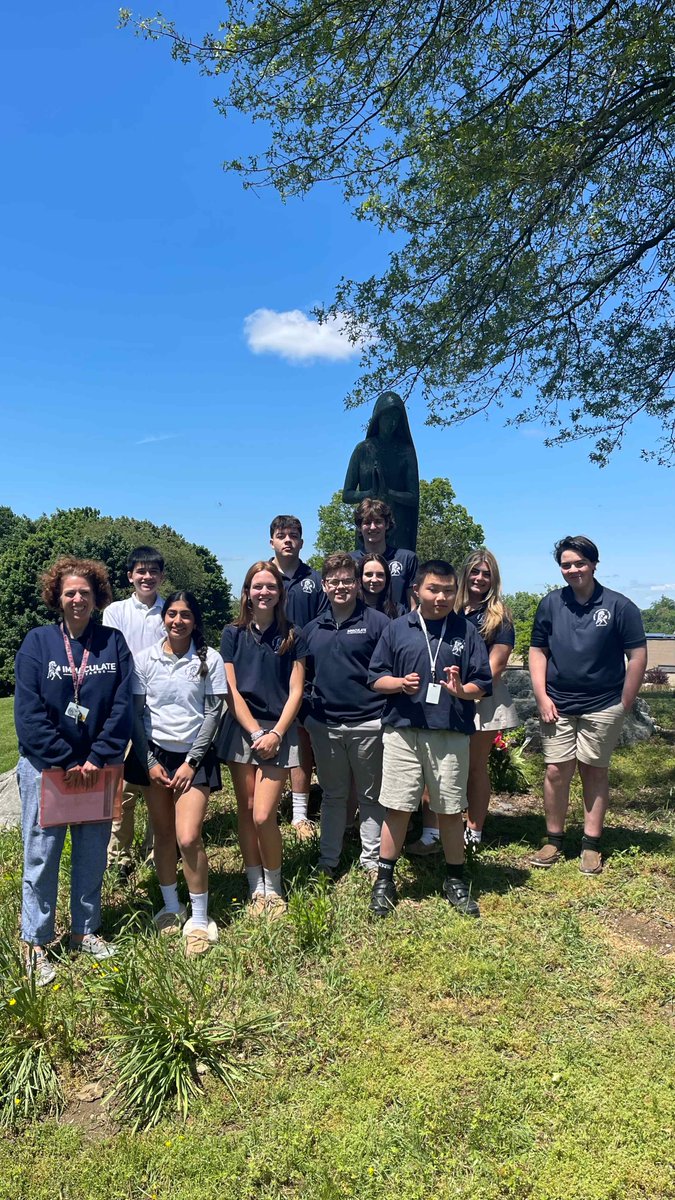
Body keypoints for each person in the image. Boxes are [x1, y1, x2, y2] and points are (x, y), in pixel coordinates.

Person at [14, 556, 133, 984]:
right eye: (70, 592)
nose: (78, 598)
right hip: (47, 768)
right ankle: (36, 941)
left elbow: (123, 707)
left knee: (91, 852)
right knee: (42, 855)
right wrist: (66, 761)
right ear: (57, 597)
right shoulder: (37, 642)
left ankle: (85, 930)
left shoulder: (113, 642)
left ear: (97, 596)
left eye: (85, 591)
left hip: (97, 768)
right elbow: (27, 713)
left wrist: (97, 758)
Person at [367, 560, 492, 918]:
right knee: (398, 806)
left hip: (450, 733)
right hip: (403, 730)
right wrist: (400, 684)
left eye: (449, 591)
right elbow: (376, 678)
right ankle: (385, 878)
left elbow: (482, 684)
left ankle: (454, 877)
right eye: (433, 589)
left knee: (451, 809)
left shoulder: (465, 631)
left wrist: (460, 690)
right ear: (417, 591)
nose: (441, 597)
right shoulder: (397, 629)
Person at [528, 536, 647, 874]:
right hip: (557, 703)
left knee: (593, 771)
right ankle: (554, 839)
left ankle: (591, 844)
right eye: (566, 564)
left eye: (579, 563)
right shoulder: (551, 603)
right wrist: (541, 696)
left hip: (603, 704)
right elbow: (538, 651)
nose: (573, 569)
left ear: (594, 564)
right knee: (555, 771)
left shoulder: (619, 606)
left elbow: (637, 656)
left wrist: (625, 702)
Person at [131, 591, 227, 955]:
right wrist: (150, 762)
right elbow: (137, 715)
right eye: (171, 614)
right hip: (154, 757)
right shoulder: (145, 659)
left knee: (188, 837)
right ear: (163, 618)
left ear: (195, 620)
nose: (177, 621)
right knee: (163, 835)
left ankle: (200, 918)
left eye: (185, 615)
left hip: (194, 758)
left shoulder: (210, 659)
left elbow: (213, 714)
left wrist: (192, 762)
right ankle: (171, 907)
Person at [217, 561, 306, 916]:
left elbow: (297, 691)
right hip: (242, 729)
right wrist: (255, 731)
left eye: (271, 586)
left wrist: (276, 734)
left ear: (280, 593)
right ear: (247, 592)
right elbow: (231, 690)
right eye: (258, 586)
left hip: (280, 730)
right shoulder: (232, 634)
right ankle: (255, 884)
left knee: (264, 815)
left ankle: (275, 885)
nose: (264, 592)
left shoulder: (293, 635)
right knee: (247, 809)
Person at [303, 553, 389, 879]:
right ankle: (329, 860)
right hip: (325, 727)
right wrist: (309, 716)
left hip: (369, 722)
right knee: (333, 796)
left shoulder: (378, 623)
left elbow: (391, 669)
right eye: (334, 581)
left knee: (370, 796)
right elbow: (302, 678)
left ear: (357, 584)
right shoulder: (312, 629)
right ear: (324, 585)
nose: (341, 587)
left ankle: (371, 862)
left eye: (347, 581)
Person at [103, 545, 165, 875]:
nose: (147, 576)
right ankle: (119, 857)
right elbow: (112, 657)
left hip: (159, 711)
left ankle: (156, 853)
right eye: (140, 571)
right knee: (122, 789)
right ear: (130, 576)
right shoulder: (114, 612)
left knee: (158, 783)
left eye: (153, 571)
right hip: (124, 708)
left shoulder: (170, 611)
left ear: (161, 576)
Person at [455, 548, 519, 850]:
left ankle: (474, 830)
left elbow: (497, 664)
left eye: (486, 573)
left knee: (475, 767)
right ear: (465, 574)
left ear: (494, 579)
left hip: (484, 700)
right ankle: (444, 826)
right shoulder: (451, 609)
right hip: (448, 696)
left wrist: (468, 690)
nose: (480, 578)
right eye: (475, 572)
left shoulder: (499, 616)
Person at [269, 514, 328, 838]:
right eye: (281, 535)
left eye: (293, 535)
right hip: (266, 672)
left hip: (303, 670)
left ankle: (300, 813)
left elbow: (321, 624)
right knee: (268, 735)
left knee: (302, 740)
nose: (287, 540)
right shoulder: (261, 575)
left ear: (301, 542)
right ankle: (265, 805)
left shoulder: (314, 580)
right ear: (272, 542)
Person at [343, 390, 420, 552]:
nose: (391, 423)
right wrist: (370, 493)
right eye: (387, 417)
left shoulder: (406, 452)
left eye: (395, 418)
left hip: (399, 530)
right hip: (369, 528)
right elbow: (347, 495)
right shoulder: (363, 450)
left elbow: (413, 497)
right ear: (378, 418)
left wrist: (389, 493)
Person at [349, 499, 418, 609]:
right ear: (359, 527)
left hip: (397, 623)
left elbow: (413, 606)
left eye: (378, 522)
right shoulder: (350, 561)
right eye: (367, 522)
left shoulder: (406, 558)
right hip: (362, 624)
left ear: (386, 525)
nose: (372, 527)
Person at [357, 553, 406, 619]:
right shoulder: (350, 610)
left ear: (387, 578)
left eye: (380, 575)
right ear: (360, 578)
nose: (374, 580)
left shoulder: (399, 611)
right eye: (369, 574)